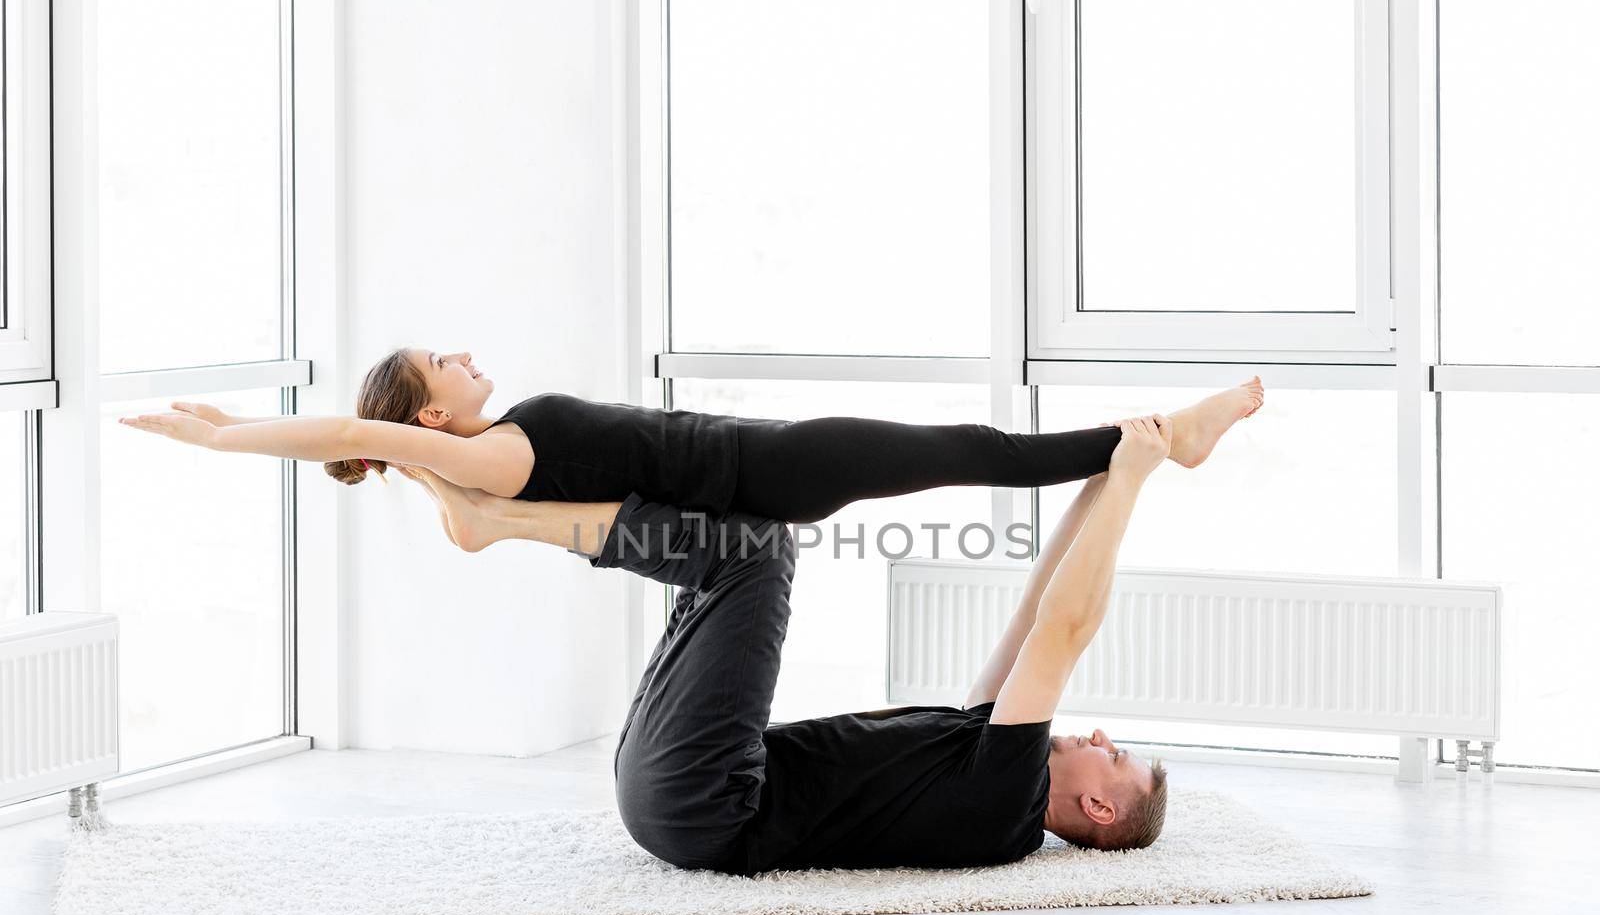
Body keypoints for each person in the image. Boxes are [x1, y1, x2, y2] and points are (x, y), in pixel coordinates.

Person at [401, 411, 1211, 873]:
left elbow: (1067, 631)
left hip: (707, 803)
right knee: (741, 540)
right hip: (674, 792)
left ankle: (496, 519)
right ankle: (506, 506)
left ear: (1099, 808)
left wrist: (1134, 481)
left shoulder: (1008, 804)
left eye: (1114, 756)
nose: (1100, 736)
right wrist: (1107, 474)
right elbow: (1040, 608)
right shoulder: (987, 756)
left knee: (756, 553)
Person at [116, 346, 1263, 524]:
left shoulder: (492, 445)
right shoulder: (491, 452)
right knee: (974, 443)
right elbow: (349, 428)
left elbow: (350, 438)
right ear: (423, 415)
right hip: (776, 466)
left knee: (972, 447)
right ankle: (1160, 435)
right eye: (443, 363)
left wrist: (230, 422)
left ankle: (1149, 434)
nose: (466, 355)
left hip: (769, 453)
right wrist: (224, 443)